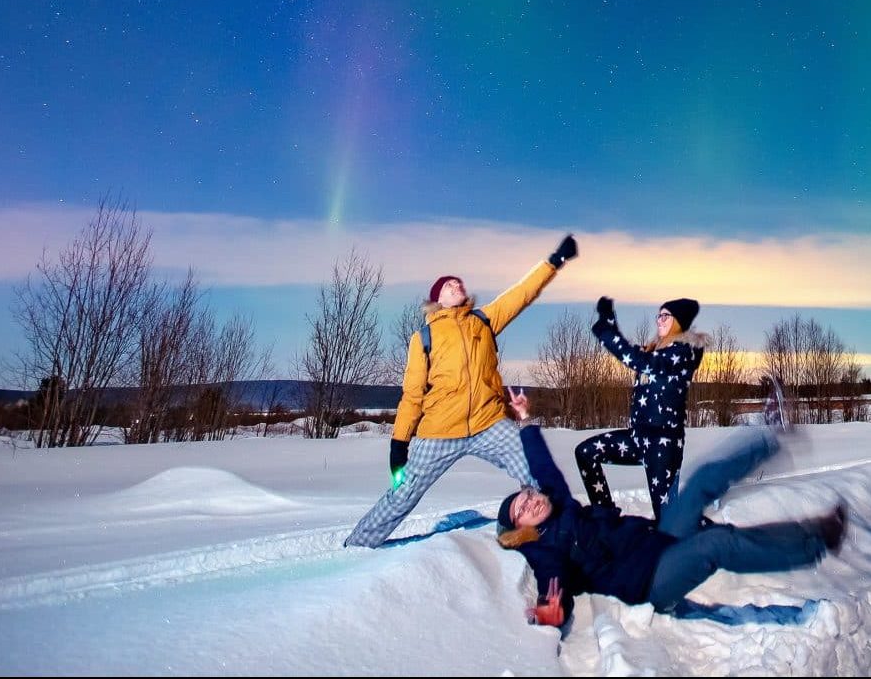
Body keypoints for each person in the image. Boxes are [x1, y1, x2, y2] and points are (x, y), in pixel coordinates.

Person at [497, 389, 845, 626]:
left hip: (656, 542)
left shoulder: (560, 505)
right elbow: (551, 578)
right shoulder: (545, 547)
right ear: (520, 530)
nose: (530, 501)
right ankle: (818, 539)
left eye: (526, 495)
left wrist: (525, 420)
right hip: (648, 585)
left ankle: (772, 434)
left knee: (698, 484)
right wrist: (550, 609)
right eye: (522, 510)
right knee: (717, 543)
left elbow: (543, 467)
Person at [342, 234, 579, 548]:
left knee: (534, 467)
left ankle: (557, 533)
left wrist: (554, 261)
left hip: (488, 423)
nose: (457, 285)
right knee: (402, 495)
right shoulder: (423, 337)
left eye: (459, 282)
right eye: (449, 285)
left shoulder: (483, 321)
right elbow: (412, 395)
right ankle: (357, 545)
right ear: (438, 299)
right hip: (439, 431)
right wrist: (399, 444)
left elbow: (521, 294)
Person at [576, 296, 706, 516]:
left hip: (663, 445)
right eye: (659, 315)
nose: (659, 320)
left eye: (666, 316)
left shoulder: (684, 353)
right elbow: (635, 355)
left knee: (668, 520)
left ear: (679, 321)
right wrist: (609, 321)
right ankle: (606, 518)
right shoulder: (655, 352)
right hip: (637, 439)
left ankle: (711, 543)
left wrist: (605, 331)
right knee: (586, 453)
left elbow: (635, 358)